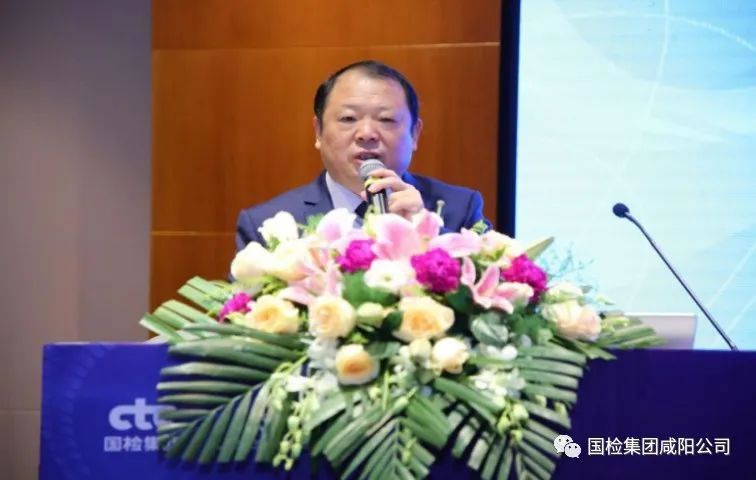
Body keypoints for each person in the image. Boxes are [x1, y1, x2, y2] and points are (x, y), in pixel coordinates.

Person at [236, 60, 490, 251]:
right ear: (318, 131)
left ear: (414, 134)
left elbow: (496, 298)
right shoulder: (266, 224)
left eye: (386, 119)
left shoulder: (460, 209)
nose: (367, 133)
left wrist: (426, 236)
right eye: (348, 118)